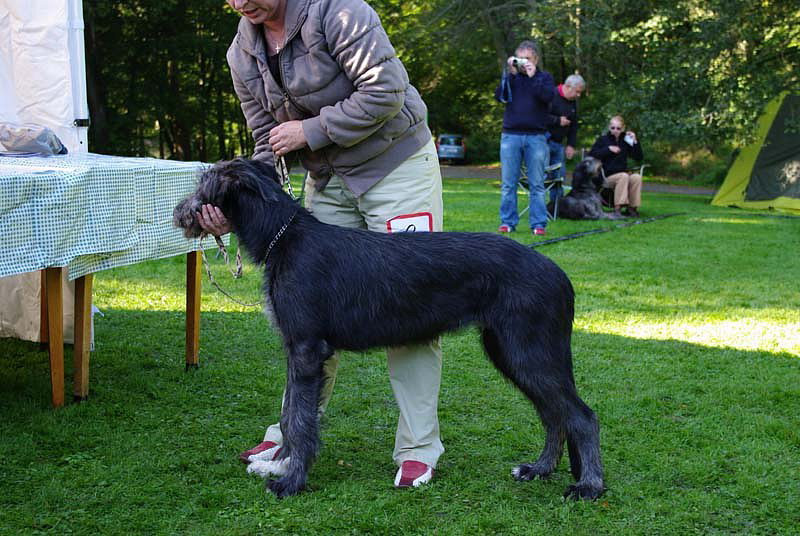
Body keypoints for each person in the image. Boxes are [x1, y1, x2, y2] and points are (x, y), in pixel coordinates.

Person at [199, 0, 445, 489]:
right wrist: (234, 207)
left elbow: (387, 91)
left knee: (410, 305)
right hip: (328, 179)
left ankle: (419, 446)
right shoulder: (241, 52)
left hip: (394, 165)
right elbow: (265, 144)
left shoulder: (340, 11)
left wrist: (310, 129)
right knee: (308, 316)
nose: (241, 2)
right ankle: (290, 437)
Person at [494, 40, 555, 237]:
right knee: (508, 183)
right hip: (511, 135)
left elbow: (547, 97)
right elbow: (500, 96)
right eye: (520, 58)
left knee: (537, 184)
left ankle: (538, 224)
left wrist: (532, 76)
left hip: (536, 137)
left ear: (535, 59)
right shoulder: (512, 79)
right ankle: (507, 222)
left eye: (527, 59)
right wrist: (509, 74)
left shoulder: (544, 78)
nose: (523, 62)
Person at [589, 115, 644, 217]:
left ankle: (632, 208)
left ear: (623, 128)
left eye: (618, 128)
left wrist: (635, 141)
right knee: (623, 176)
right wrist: (608, 149)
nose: (615, 130)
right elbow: (592, 154)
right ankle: (617, 209)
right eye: (613, 128)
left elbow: (638, 157)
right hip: (607, 176)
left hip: (624, 174)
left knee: (636, 177)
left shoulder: (626, 140)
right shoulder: (603, 140)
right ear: (609, 127)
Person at [546, 74, 585, 204]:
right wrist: (557, 121)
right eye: (577, 92)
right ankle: (539, 207)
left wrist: (571, 145)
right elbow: (539, 116)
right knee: (543, 176)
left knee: (559, 176)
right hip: (543, 141)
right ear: (568, 87)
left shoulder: (572, 101)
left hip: (558, 144)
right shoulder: (550, 95)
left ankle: (557, 207)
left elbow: (573, 124)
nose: (578, 95)